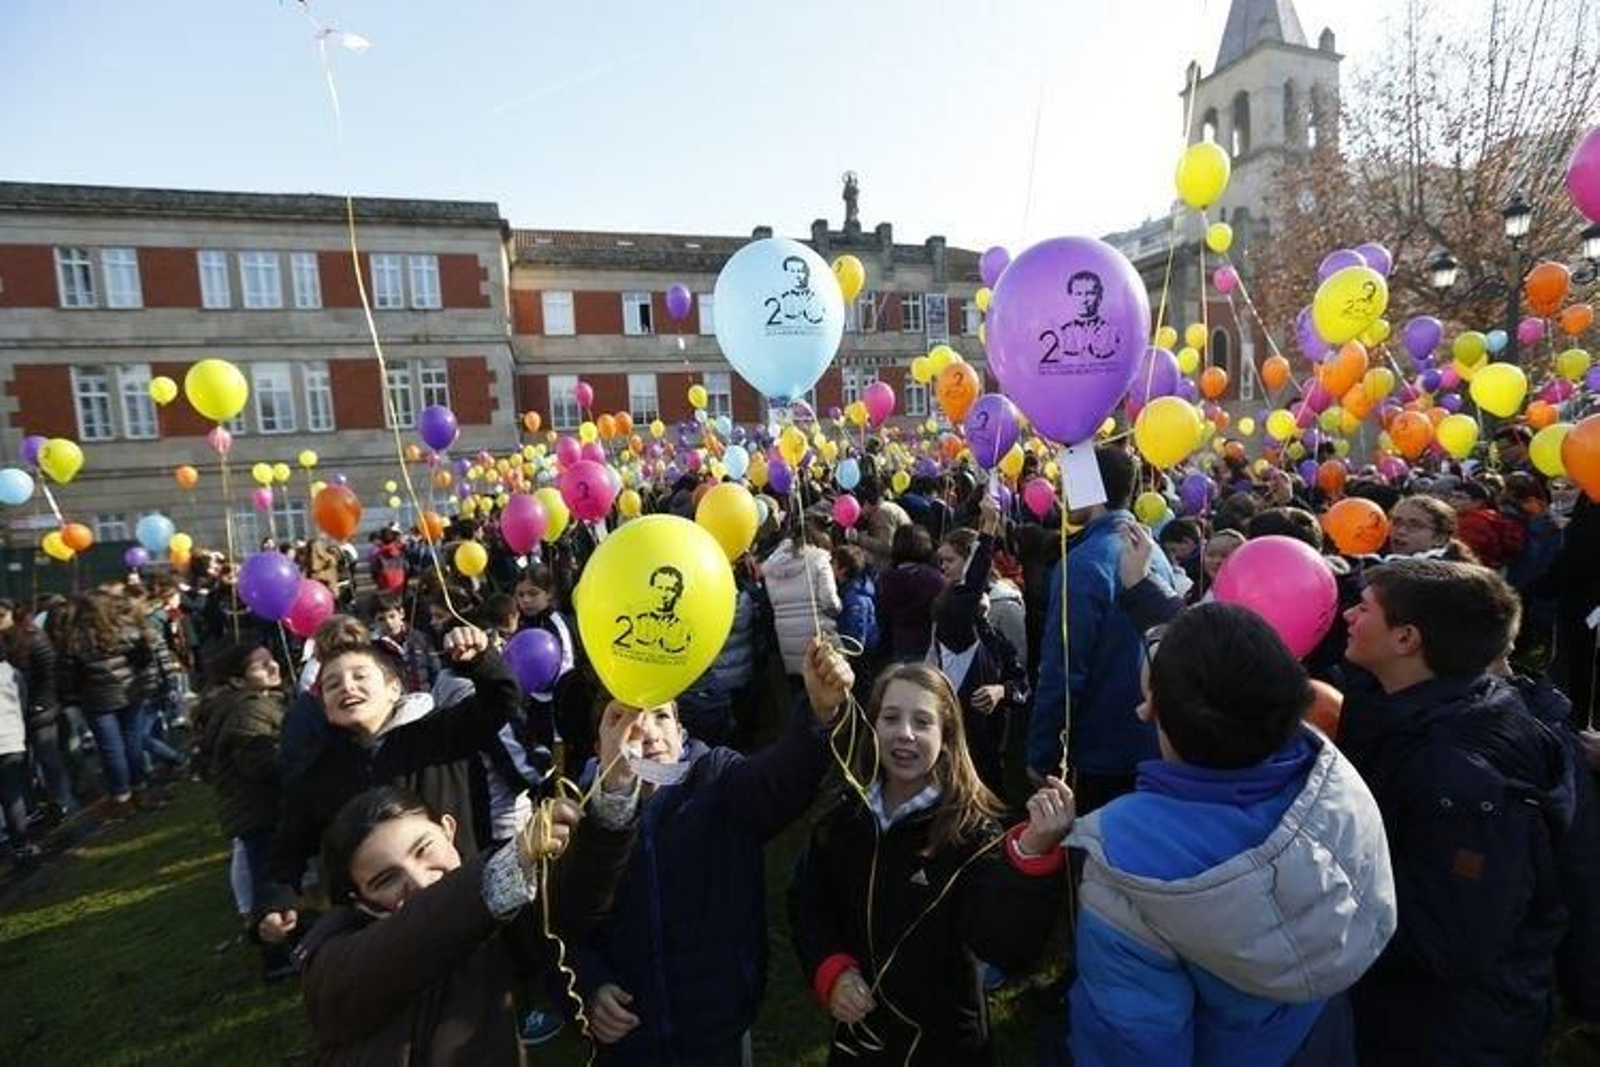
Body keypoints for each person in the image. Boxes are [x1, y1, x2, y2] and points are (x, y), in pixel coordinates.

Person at [1063, 602, 1397, 1063]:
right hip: (1318, 1033)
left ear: (1149, 709)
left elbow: (1133, 1041)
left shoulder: (1127, 864)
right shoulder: (1334, 784)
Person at [1337, 559, 1580, 1061]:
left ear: (1406, 639)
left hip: (1441, 1030)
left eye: (1364, 608)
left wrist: (1326, 898)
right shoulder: (1433, 708)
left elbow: (1450, 937)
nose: (1348, 616)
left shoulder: (1457, 775)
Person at [575, 638, 852, 1065]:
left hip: (716, 1026)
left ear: (681, 731)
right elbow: (558, 927)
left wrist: (817, 712)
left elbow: (781, 781)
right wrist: (587, 985)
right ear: (599, 745)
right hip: (629, 1037)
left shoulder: (716, 780)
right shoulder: (578, 819)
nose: (647, 730)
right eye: (624, 717)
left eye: (661, 715)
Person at [788, 661, 1069, 1064]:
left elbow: (1006, 947)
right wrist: (830, 970)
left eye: (922, 722)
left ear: (947, 736)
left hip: (943, 1047)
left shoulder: (972, 834)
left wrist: (1032, 857)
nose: (905, 732)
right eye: (891, 717)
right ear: (872, 725)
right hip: (859, 1040)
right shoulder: (843, 819)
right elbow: (809, 904)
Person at [298, 767, 638, 1063]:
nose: (419, 881)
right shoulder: (330, 962)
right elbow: (407, 942)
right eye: (386, 880)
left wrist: (615, 790)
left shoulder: (491, 915)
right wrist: (508, 863)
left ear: (448, 828)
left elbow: (571, 905)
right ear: (360, 899)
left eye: (423, 849)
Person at [254, 625, 515, 947]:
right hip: (381, 930)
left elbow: (502, 701)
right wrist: (275, 901)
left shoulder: (439, 734)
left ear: (394, 688)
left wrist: (480, 660)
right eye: (332, 684)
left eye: (360, 676)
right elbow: (287, 849)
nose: (347, 686)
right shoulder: (315, 774)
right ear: (325, 707)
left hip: (465, 897)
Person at [1029, 445, 1177, 814]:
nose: (1062, 495)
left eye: (1068, 483)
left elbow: (1063, 670)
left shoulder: (1083, 564)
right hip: (1154, 742)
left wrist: (1043, 754)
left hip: (1100, 752)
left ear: (1087, 487)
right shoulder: (1150, 549)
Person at [195, 640, 292, 979]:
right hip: (260, 811)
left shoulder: (252, 703)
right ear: (238, 680)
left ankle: (282, 945)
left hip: (253, 809)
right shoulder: (249, 710)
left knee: (270, 881)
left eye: (272, 660)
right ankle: (275, 957)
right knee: (271, 887)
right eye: (260, 666)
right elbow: (260, 765)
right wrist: (294, 752)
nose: (273, 667)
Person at [60, 590, 172, 812]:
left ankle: (122, 795)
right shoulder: (125, 630)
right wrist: (141, 681)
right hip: (130, 692)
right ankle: (139, 787)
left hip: (97, 699)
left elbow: (66, 675)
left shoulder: (73, 639)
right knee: (132, 742)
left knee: (111, 748)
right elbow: (145, 658)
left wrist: (73, 697)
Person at [762, 522, 840, 679]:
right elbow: (830, 601)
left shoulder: (771, 566)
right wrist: (838, 608)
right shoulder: (819, 559)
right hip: (818, 636)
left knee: (800, 683)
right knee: (827, 684)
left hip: (787, 638)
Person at [876, 524, 945, 664]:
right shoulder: (933, 578)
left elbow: (881, 613)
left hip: (896, 642)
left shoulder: (884, 577)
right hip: (926, 643)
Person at [372, 592, 439, 694]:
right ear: (374, 622)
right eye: (381, 619)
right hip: (399, 697)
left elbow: (434, 667)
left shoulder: (420, 637)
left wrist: (435, 691)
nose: (388, 623)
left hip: (427, 694)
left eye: (392, 616)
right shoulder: (375, 647)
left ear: (401, 613)